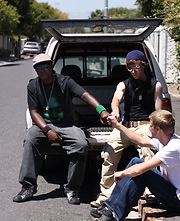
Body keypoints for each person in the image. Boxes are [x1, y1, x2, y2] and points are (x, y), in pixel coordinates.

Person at [13, 53, 110, 205]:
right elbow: (34, 112)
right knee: (30, 140)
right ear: (35, 70)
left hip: (67, 124)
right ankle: (27, 187)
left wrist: (101, 109)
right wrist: (47, 130)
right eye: (39, 68)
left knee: (81, 145)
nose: (42, 70)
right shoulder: (33, 85)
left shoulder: (65, 81)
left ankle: (72, 189)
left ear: (52, 66)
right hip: (45, 124)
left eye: (46, 66)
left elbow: (84, 95)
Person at [90, 110, 180, 221]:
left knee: (143, 171)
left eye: (150, 125)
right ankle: (111, 207)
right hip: (177, 194)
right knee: (135, 161)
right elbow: (141, 141)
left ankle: (114, 216)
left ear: (158, 129)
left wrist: (122, 173)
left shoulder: (173, 148)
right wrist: (117, 125)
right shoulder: (168, 139)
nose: (148, 128)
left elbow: (140, 170)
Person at [90, 50, 163, 207]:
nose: (133, 70)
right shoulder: (124, 84)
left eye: (136, 66)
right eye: (129, 67)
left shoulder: (155, 85)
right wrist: (115, 111)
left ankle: (150, 192)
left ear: (143, 65)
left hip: (145, 125)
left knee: (147, 153)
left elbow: (158, 112)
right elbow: (116, 98)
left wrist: (155, 131)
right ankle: (105, 195)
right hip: (126, 125)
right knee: (108, 153)